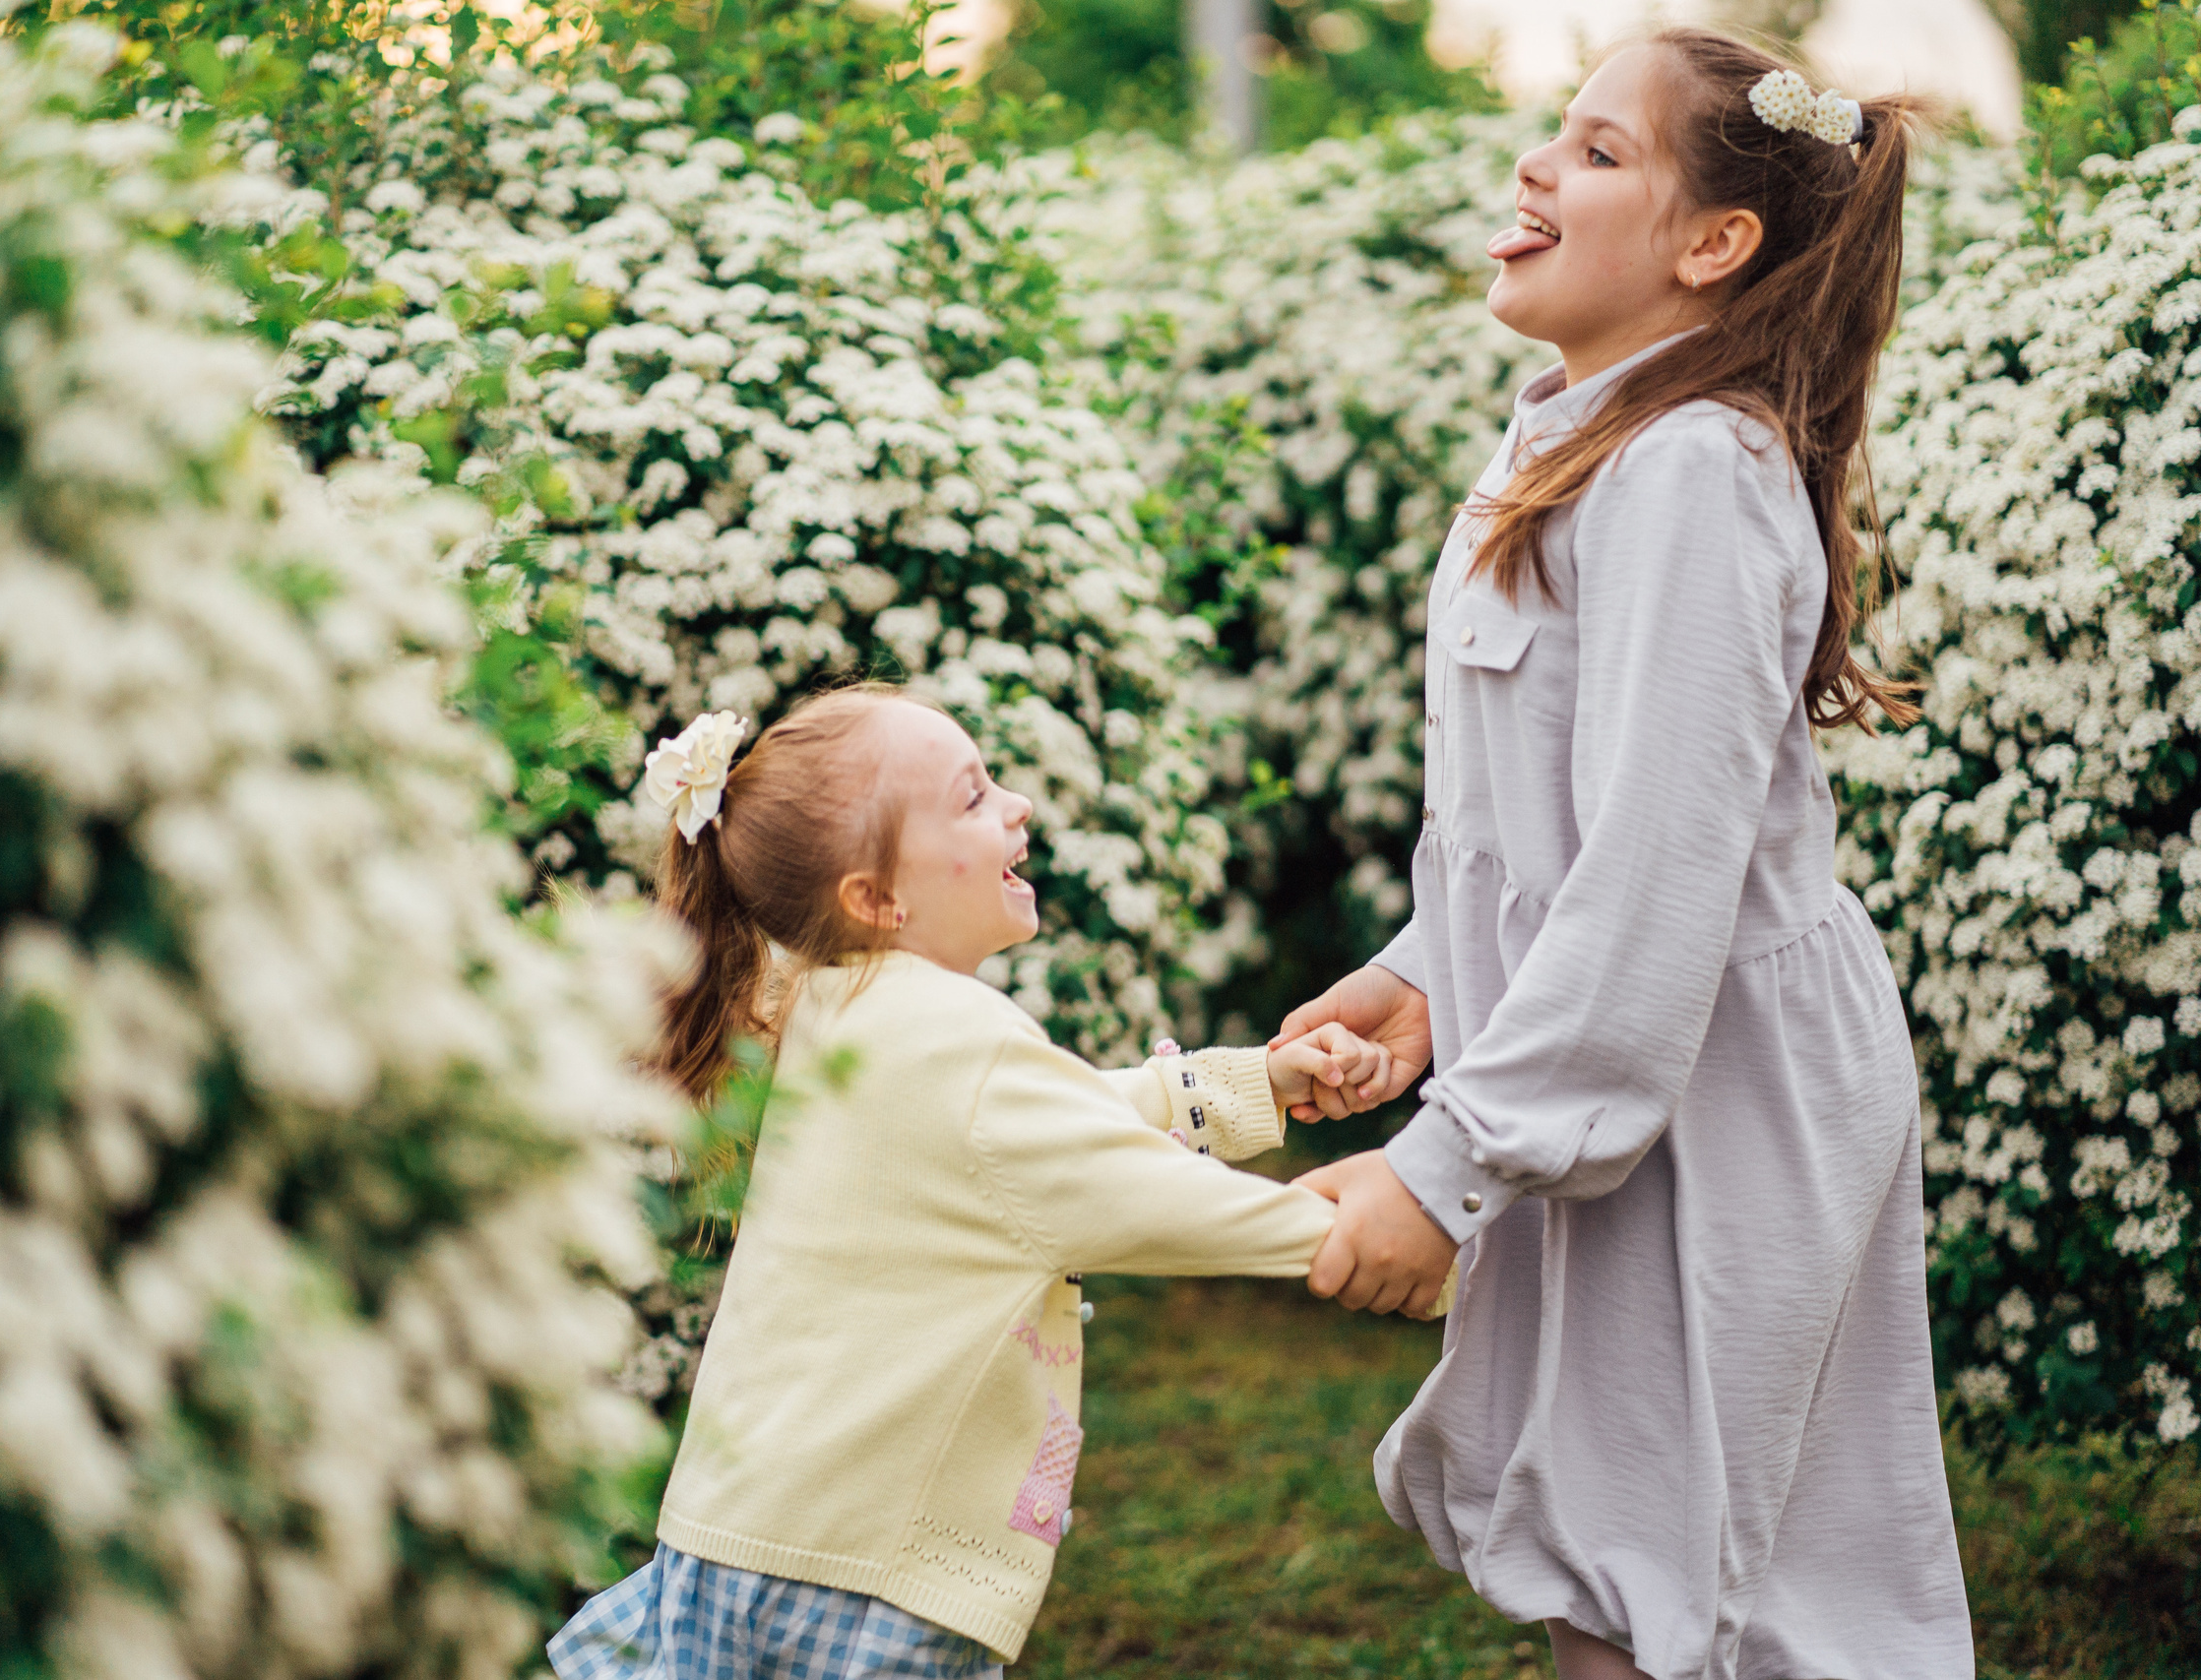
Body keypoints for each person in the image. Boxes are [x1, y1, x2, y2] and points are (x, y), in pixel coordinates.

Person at [1275, 29, 1976, 1680]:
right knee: (1615, 1548)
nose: (1533, 168)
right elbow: (1553, 819)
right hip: (1617, 1075)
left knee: (1678, 1576)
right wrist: (1427, 978)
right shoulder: (1572, 441)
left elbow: (1664, 874)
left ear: (1710, 244)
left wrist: (1450, 1166)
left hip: (1719, 1083)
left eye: (1595, 153)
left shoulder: (1689, 474)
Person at [548, 686, 1384, 1680]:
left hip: (736, 1537)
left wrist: (1253, 1084)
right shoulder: (951, 1037)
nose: (1017, 806)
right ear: (877, 899)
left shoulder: (833, 1008)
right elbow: (1115, 1188)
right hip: (861, 1575)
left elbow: (1026, 1140)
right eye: (974, 795)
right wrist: (1358, 1228)